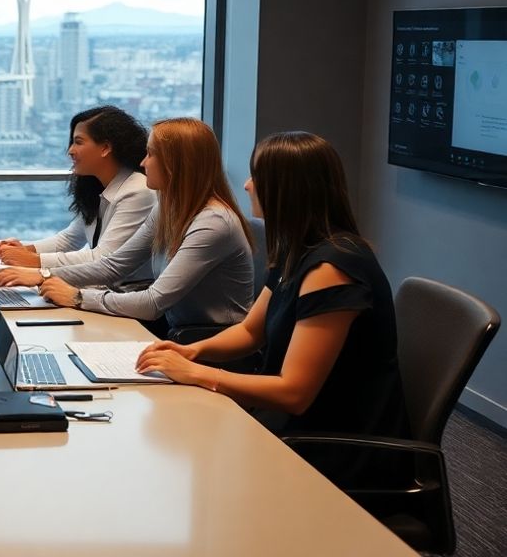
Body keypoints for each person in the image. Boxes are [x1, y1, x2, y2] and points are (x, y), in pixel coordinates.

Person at [136, 131, 407, 484]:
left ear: (287, 189)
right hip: (295, 427)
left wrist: (199, 374)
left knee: (185, 467)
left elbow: (294, 392)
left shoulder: (332, 270)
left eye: (257, 177)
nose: (247, 185)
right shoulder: (299, 251)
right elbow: (251, 331)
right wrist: (192, 351)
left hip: (334, 450)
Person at [34, 118, 254, 335]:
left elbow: (152, 303)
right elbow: (114, 266)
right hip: (177, 332)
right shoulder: (168, 208)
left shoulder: (213, 223)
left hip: (208, 341)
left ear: (175, 163)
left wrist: (77, 297)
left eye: (151, 154)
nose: (142, 163)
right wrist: (44, 276)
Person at [0, 106, 156, 287]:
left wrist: (35, 261)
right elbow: (70, 239)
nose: (70, 150)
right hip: (102, 291)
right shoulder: (98, 186)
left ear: (106, 148)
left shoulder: (138, 191)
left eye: (78, 142)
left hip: (127, 297)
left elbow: (103, 257)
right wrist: (25, 250)